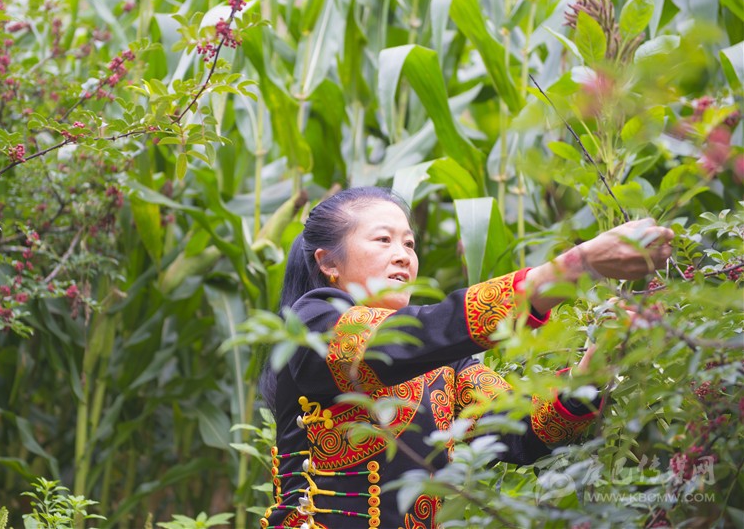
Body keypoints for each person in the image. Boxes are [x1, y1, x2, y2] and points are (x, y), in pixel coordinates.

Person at [258, 186, 674, 529]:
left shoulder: (443, 362)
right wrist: (571, 268)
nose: (403, 254)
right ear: (328, 262)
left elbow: (523, 428)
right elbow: (403, 340)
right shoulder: (311, 324)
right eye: (383, 240)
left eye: (409, 243)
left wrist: (592, 370)